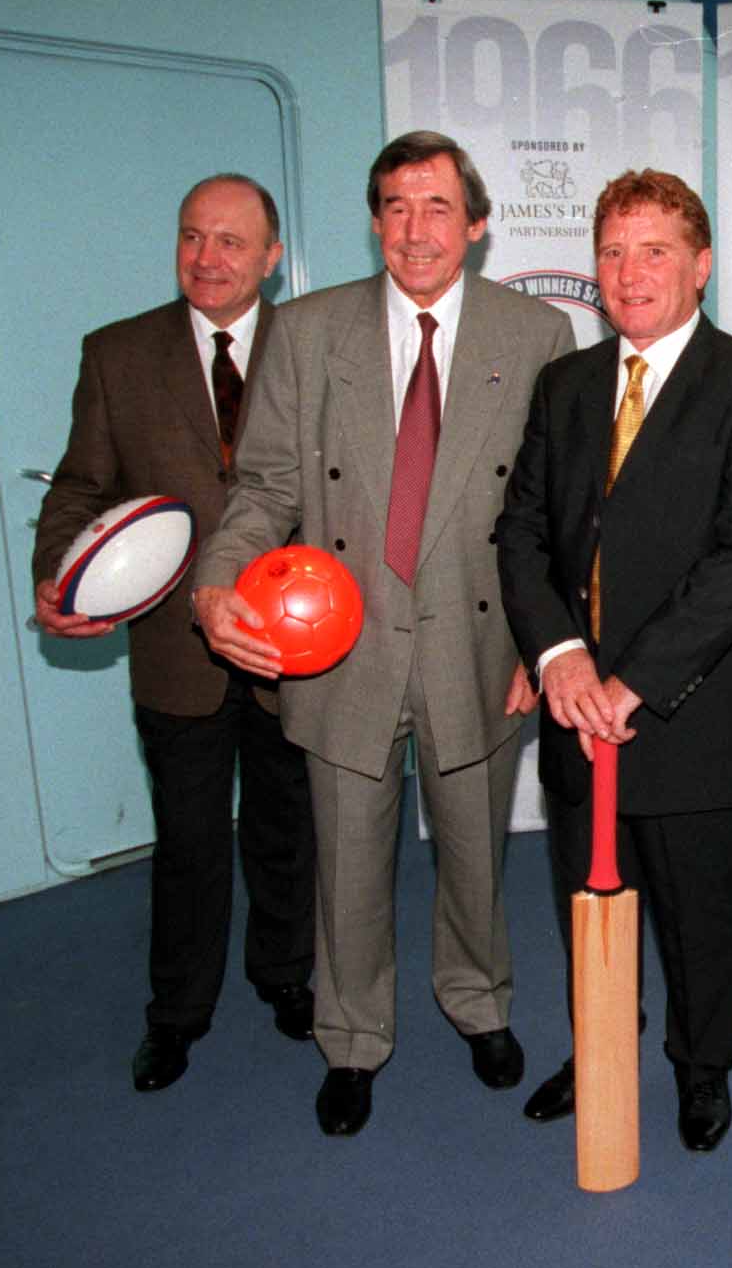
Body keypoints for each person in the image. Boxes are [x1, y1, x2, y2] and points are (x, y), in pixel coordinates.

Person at [192, 132, 574, 1137]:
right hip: (338, 643)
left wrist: (551, 648)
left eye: (438, 206)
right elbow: (267, 482)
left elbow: (556, 511)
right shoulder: (309, 333)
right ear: (374, 221)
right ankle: (352, 1036)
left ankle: (478, 1000)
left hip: (480, 644)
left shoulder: (534, 334)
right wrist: (217, 581)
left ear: (476, 224)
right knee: (348, 862)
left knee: (473, 852)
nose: (416, 229)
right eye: (396, 207)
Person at [496, 170, 732, 1153]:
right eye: (613, 251)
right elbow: (521, 532)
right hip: (572, 703)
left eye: (655, 250)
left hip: (685, 715)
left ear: (701, 263)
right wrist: (556, 656)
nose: (630, 273)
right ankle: (601, 1040)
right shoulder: (566, 384)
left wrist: (630, 681)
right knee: (588, 899)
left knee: (698, 913)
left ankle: (699, 1064)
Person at [32, 174, 316, 1093]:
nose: (208, 257)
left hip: (292, 644)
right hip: (173, 648)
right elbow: (79, 486)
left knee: (287, 829)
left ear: (272, 256)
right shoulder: (118, 354)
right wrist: (56, 571)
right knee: (189, 843)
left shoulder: (317, 348)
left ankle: (285, 975)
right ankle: (178, 1014)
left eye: (232, 241)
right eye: (193, 236)